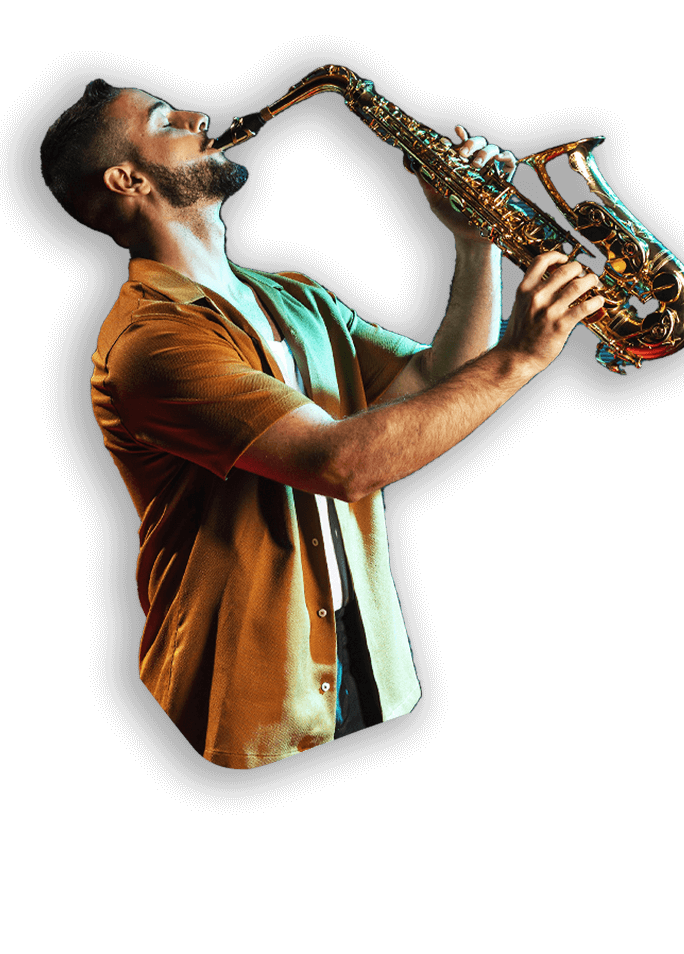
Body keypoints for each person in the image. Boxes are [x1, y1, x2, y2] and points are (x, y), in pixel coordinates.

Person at [39, 78, 608, 772]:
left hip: (379, 672)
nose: (198, 115)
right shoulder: (151, 343)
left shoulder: (296, 295)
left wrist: (476, 239)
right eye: (167, 119)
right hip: (248, 708)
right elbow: (341, 464)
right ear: (128, 177)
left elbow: (434, 380)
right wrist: (519, 357)